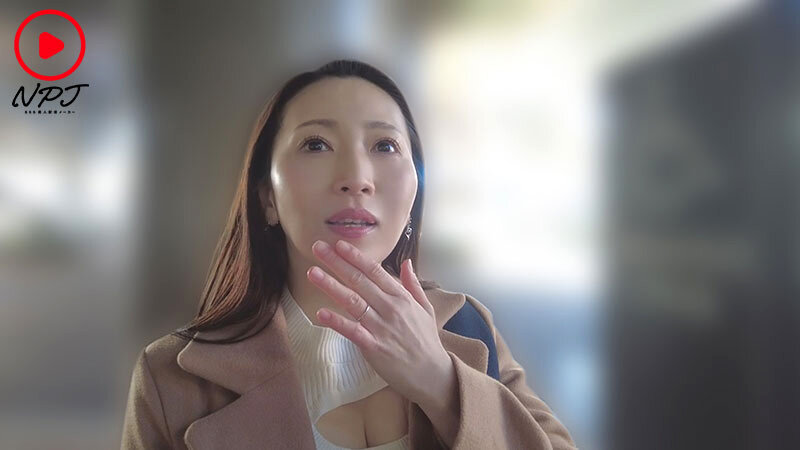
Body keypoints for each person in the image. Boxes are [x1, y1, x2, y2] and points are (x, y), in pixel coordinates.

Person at [120, 59, 577, 450]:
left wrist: (442, 385)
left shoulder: (469, 329)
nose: (356, 177)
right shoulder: (171, 379)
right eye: (316, 144)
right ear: (267, 198)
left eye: (385, 145)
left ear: (414, 195)